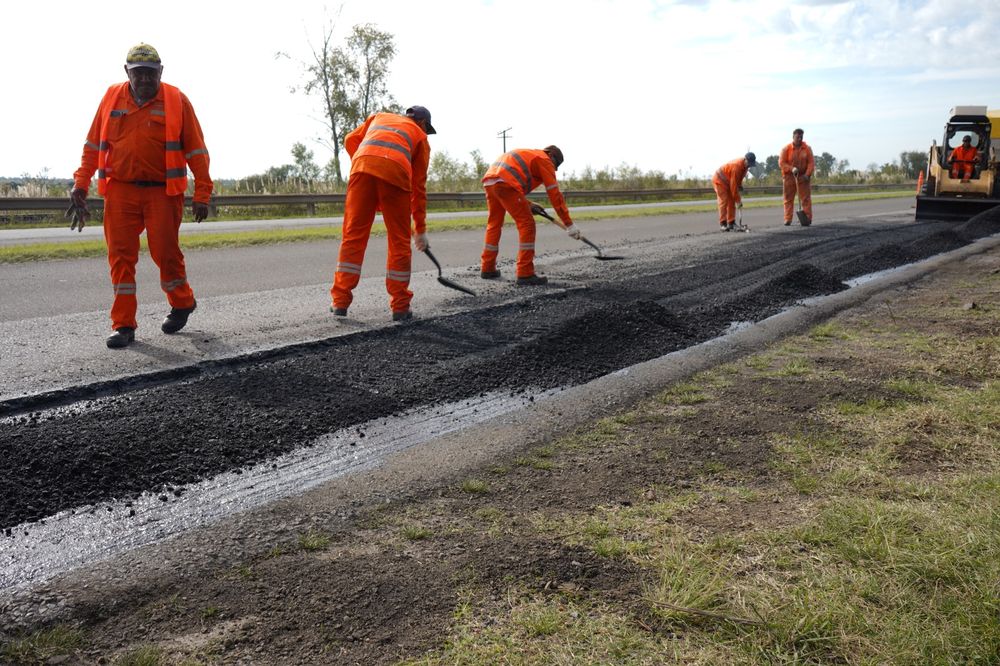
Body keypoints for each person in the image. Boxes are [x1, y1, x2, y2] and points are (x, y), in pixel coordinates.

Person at [70, 43, 213, 349]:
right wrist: (81, 183)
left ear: (161, 72)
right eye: (139, 74)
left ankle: (182, 301)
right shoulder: (111, 97)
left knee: (165, 253)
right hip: (121, 191)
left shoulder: (176, 100)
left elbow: (197, 151)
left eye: (151, 74)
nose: (145, 80)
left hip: (163, 192)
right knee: (120, 257)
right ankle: (123, 325)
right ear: (127, 73)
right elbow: (93, 145)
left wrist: (203, 191)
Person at [330, 106, 434, 321]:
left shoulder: (379, 117)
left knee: (352, 237)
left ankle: (340, 302)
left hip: (362, 168)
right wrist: (420, 229)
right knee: (399, 241)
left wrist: (365, 163)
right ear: (423, 123)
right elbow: (419, 187)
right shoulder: (421, 137)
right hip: (396, 174)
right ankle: (400, 306)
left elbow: (350, 139)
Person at [480, 146, 580, 285]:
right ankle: (525, 273)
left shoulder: (531, 155)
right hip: (505, 183)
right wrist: (569, 224)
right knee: (527, 224)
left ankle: (487, 268)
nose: (553, 168)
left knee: (494, 224)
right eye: (555, 164)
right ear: (551, 155)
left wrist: (528, 204)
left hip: (491, 182)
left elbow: (512, 185)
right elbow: (554, 195)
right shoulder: (544, 159)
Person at [779, 128, 815, 225]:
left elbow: (811, 163)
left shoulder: (807, 148)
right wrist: (791, 168)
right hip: (789, 178)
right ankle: (788, 219)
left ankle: (807, 218)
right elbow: (781, 163)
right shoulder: (786, 149)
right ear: (793, 137)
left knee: (806, 199)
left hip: (803, 177)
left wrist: (807, 174)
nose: (799, 138)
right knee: (788, 199)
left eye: (801, 137)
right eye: (797, 136)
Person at [712, 152, 755, 231]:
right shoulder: (737, 167)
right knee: (724, 201)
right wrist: (738, 201)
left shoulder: (745, 167)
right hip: (719, 180)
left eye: (750, 164)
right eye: (749, 163)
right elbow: (733, 187)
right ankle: (723, 224)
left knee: (731, 201)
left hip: (728, 182)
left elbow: (738, 179)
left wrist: (740, 185)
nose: (749, 165)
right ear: (745, 159)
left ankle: (731, 222)